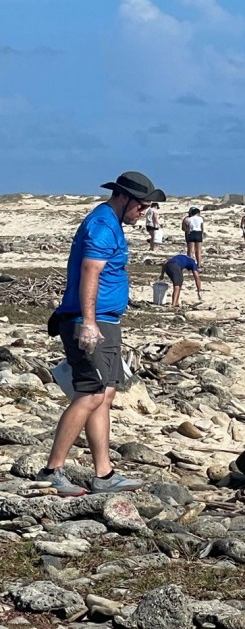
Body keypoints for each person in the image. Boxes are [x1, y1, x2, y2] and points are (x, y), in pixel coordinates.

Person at [38, 171, 166, 497]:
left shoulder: (113, 223)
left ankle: (104, 474)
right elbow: (89, 272)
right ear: (124, 198)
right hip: (89, 320)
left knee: (106, 394)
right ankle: (52, 469)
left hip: (106, 320)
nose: (145, 212)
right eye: (142, 205)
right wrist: (90, 323)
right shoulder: (102, 225)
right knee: (91, 393)